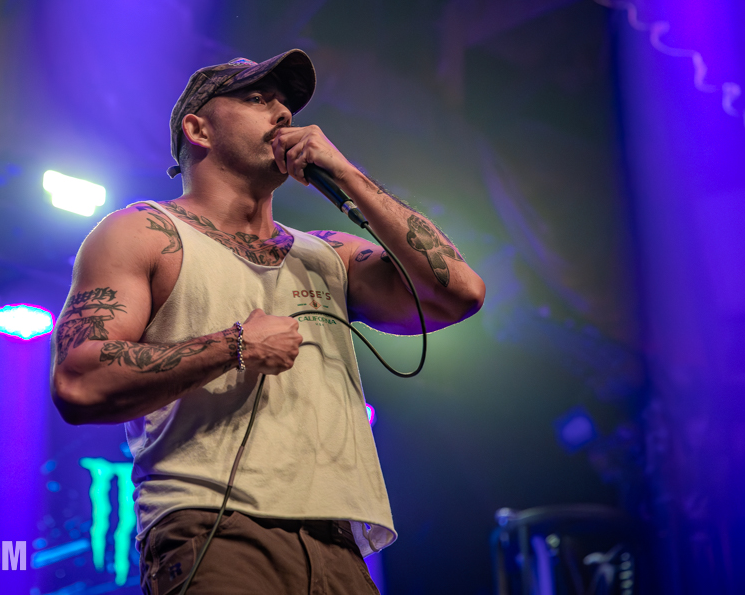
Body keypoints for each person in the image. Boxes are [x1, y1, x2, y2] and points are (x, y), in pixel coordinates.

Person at [50, 50, 485, 594]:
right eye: (257, 99)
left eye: (285, 104)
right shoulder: (143, 231)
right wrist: (233, 345)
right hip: (215, 530)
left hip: (341, 547)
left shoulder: (329, 254)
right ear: (198, 128)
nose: (282, 113)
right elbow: (79, 380)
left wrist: (347, 175)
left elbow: (459, 293)